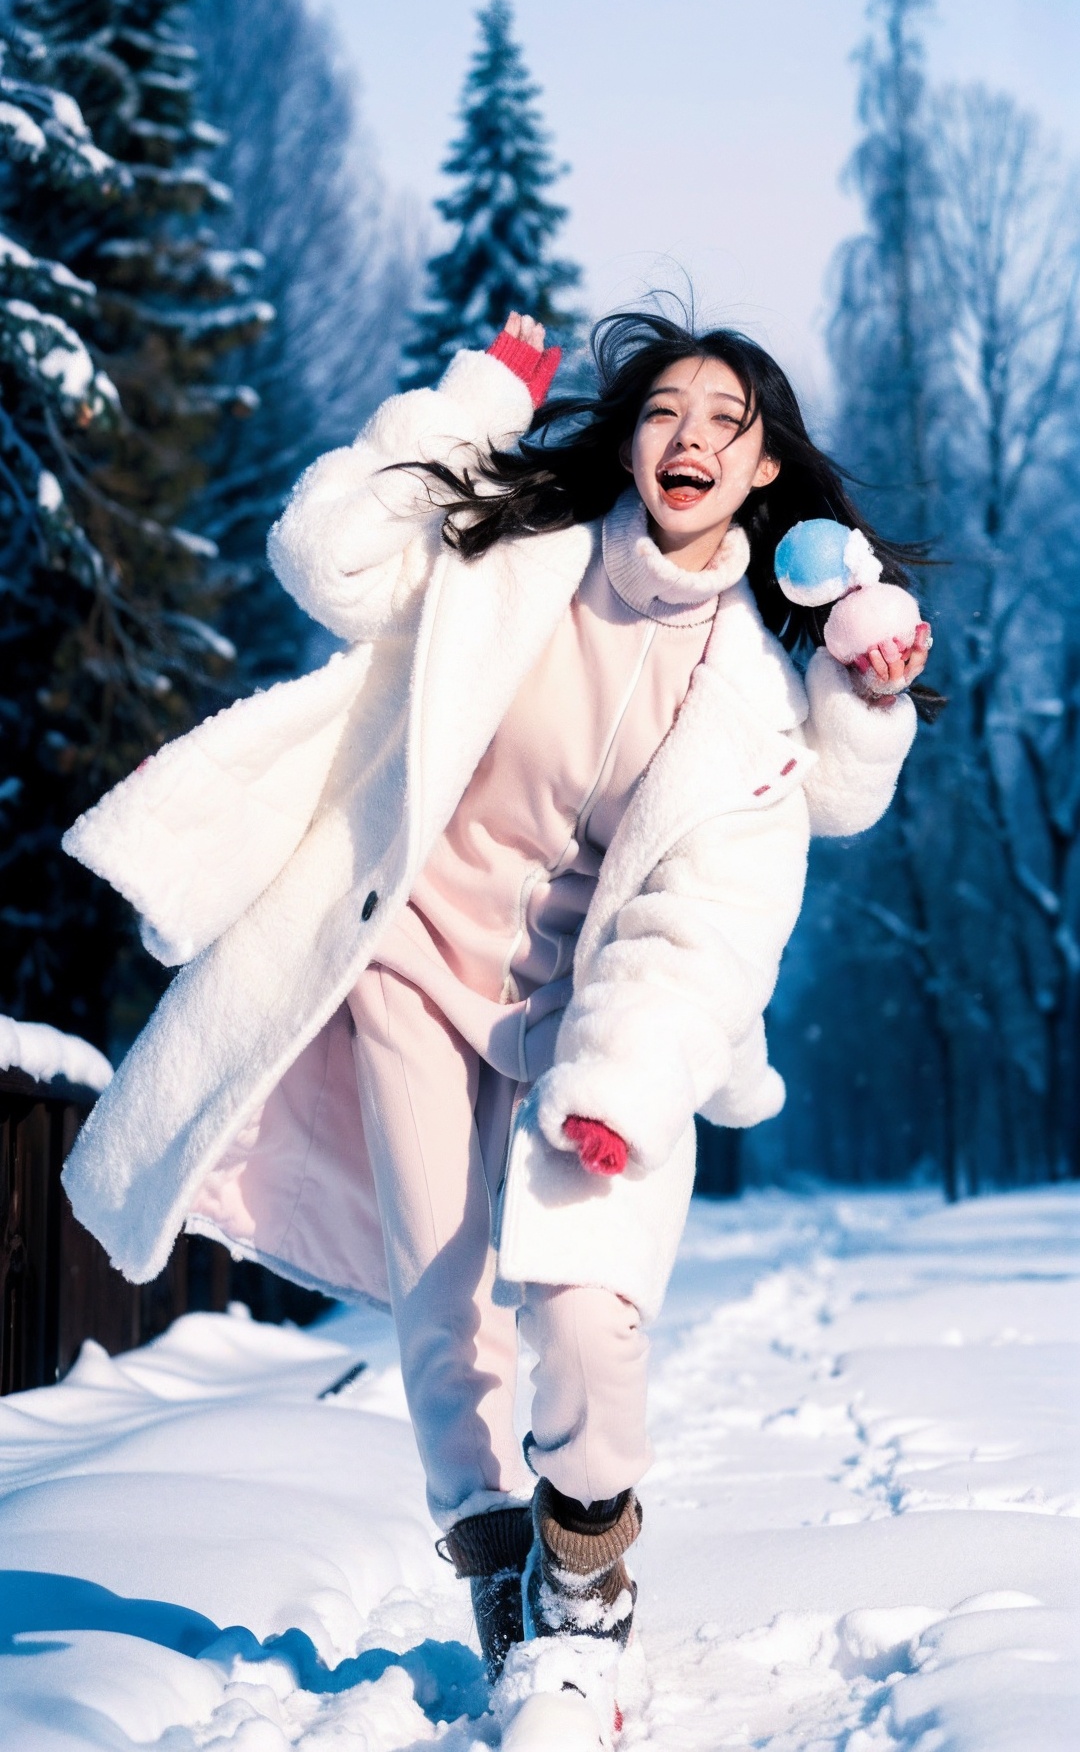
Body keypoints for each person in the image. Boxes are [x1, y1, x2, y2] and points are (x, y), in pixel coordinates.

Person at [62, 307, 930, 1741]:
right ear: (630, 442)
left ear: (768, 468)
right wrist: (469, 404)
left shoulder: (755, 705)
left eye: (727, 420)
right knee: (441, 1301)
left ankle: (588, 1588)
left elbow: (704, 925)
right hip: (410, 963)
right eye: (664, 412)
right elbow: (323, 554)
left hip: (597, 1025)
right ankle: (498, 1577)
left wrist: (624, 1075)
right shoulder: (515, 561)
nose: (690, 438)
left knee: (586, 1308)